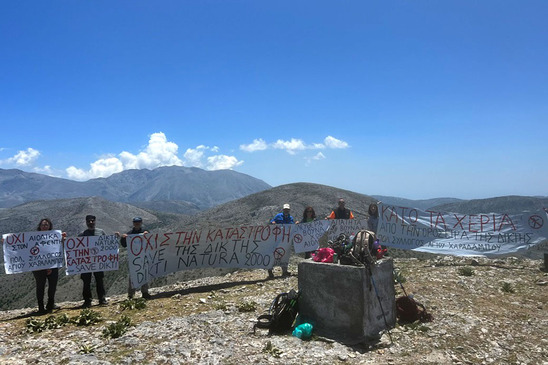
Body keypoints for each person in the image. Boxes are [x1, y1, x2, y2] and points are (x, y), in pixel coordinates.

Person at [32, 218, 65, 314]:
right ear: (40, 226)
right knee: (40, 286)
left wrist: (62, 240)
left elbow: (57, 248)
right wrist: (7, 242)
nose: (44, 226)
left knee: (52, 286)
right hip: (38, 267)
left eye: (46, 224)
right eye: (43, 224)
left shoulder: (54, 236)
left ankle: (51, 304)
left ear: (50, 226)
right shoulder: (33, 237)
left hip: (53, 265)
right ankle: (41, 307)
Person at [78, 215, 109, 308]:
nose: (91, 222)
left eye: (92, 221)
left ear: (95, 221)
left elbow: (107, 244)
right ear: (86, 222)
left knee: (99, 280)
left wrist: (116, 237)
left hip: (98, 261)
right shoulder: (82, 235)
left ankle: (102, 299)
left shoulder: (101, 232)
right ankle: (87, 300)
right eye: (89, 221)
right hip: (86, 262)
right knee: (86, 281)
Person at [120, 217, 151, 299]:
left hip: (143, 258)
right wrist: (123, 238)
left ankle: (145, 292)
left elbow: (151, 242)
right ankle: (131, 294)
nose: (137, 223)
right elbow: (124, 245)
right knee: (132, 276)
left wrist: (148, 234)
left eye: (139, 222)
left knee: (144, 274)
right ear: (133, 223)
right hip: (134, 259)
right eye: (135, 222)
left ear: (141, 222)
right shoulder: (129, 234)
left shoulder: (145, 232)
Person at [268, 203, 293, 278]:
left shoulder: (290, 218)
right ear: (283, 210)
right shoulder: (278, 216)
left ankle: (284, 271)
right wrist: (273, 222)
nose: (286, 211)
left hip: (286, 240)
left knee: (285, 254)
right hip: (277, 239)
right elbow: (272, 221)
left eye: (287, 210)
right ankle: (270, 270)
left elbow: (292, 226)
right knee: (274, 254)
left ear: (289, 210)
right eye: (285, 209)